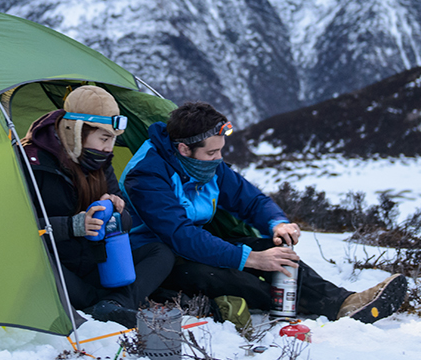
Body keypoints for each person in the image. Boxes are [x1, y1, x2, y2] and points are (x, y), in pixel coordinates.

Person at [119, 101, 408, 323]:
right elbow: (180, 235)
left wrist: (277, 223)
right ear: (183, 149)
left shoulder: (207, 166)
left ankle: (342, 302)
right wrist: (252, 259)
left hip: (193, 248)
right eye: (212, 153)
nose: (219, 159)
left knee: (273, 247)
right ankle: (295, 304)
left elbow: (250, 200)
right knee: (234, 278)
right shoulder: (147, 174)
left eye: (220, 151)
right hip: (156, 259)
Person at [22, 85, 175, 329]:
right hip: (59, 268)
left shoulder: (100, 161)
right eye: (104, 138)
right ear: (76, 131)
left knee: (160, 253)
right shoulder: (32, 163)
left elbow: (124, 222)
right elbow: (17, 231)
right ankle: (111, 304)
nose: (109, 148)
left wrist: (117, 212)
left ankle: (111, 304)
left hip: (96, 264)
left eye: (113, 139)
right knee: (35, 266)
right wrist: (73, 226)